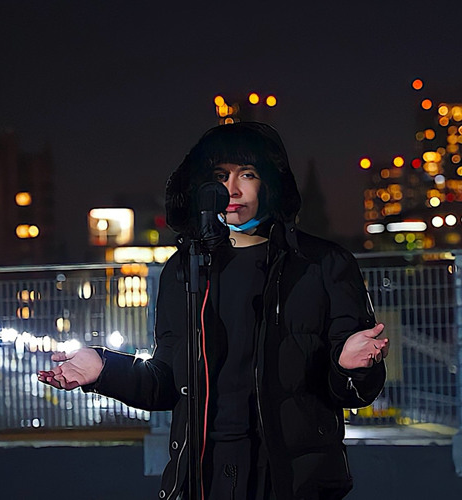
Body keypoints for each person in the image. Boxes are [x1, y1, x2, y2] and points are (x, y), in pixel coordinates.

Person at [39, 122, 389, 500]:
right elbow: (167, 383)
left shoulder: (323, 263)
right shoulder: (184, 268)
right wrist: (105, 369)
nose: (232, 190)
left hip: (292, 479)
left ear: (271, 182)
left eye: (247, 174)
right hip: (203, 474)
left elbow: (352, 391)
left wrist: (351, 367)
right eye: (221, 176)